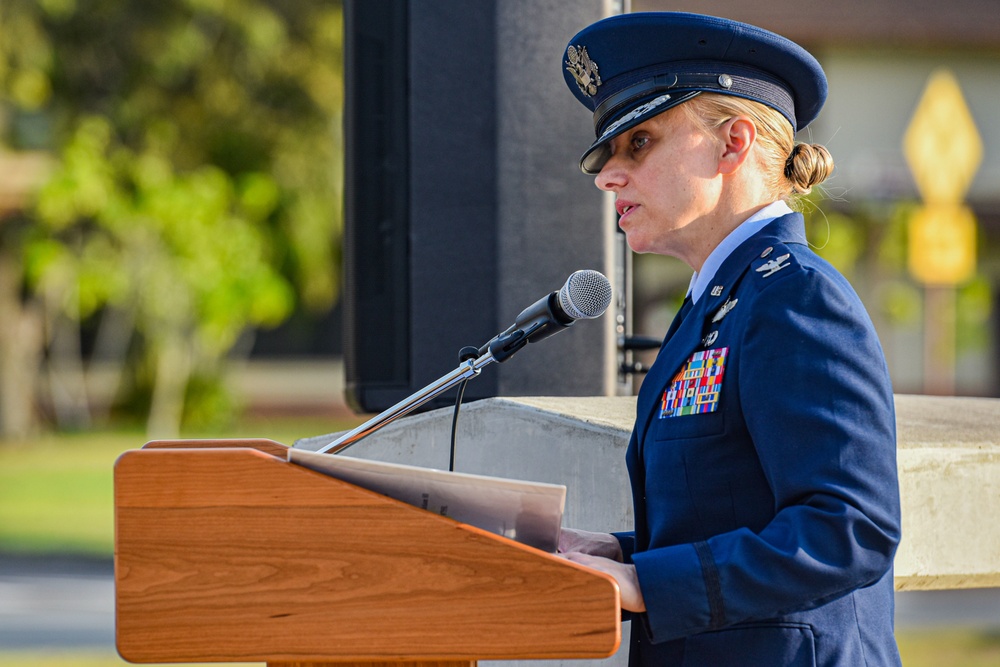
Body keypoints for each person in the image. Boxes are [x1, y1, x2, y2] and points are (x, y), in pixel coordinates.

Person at [557, 12, 901, 667]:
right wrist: (621, 553)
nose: (607, 176)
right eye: (608, 155)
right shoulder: (719, 304)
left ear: (733, 142)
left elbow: (849, 529)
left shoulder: (795, 296)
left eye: (639, 143)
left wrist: (647, 582)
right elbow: (730, 515)